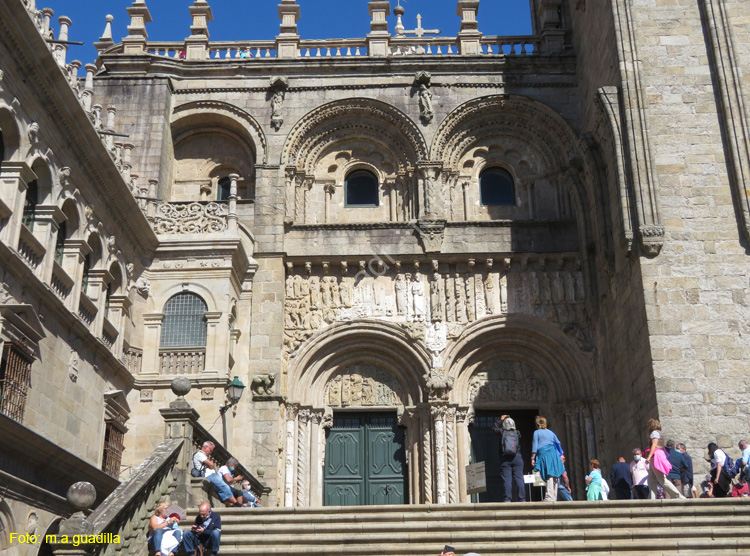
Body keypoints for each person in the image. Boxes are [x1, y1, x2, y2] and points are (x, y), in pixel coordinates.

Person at [644, 418, 684, 499]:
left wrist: (649, 456)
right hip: (657, 456)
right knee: (652, 479)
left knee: (661, 479)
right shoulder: (659, 433)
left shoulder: (654, 433)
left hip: (655, 456)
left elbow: (654, 445)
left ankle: (677, 495)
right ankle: (652, 498)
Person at [192, 441, 240, 507]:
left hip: (211, 474)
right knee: (224, 486)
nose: (211, 452)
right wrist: (210, 464)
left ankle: (233, 505)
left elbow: (213, 467)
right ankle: (237, 504)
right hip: (209, 475)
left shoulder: (204, 456)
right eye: (211, 450)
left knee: (220, 491)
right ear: (206, 447)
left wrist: (211, 465)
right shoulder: (199, 454)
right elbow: (211, 465)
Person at [531, 416, 565, 502]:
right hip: (553, 454)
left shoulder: (537, 432)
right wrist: (561, 454)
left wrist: (532, 458)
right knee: (554, 474)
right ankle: (554, 496)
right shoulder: (551, 433)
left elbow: (535, 446)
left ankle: (549, 496)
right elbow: (558, 443)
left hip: (544, 454)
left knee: (549, 474)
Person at [492, 415, 525, 502]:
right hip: (517, 457)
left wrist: (500, 420)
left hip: (505, 458)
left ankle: (507, 499)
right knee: (519, 478)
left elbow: (494, 429)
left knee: (507, 480)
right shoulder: (517, 433)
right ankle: (522, 498)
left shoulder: (502, 432)